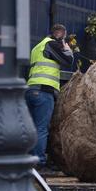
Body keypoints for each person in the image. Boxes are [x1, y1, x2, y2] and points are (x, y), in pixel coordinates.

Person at [26, 24, 74, 169]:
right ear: (59, 34)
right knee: (41, 128)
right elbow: (68, 61)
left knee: (33, 128)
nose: (62, 42)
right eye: (63, 38)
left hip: (31, 90)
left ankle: (28, 160)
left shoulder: (37, 47)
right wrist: (68, 50)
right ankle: (39, 161)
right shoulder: (51, 44)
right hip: (43, 91)